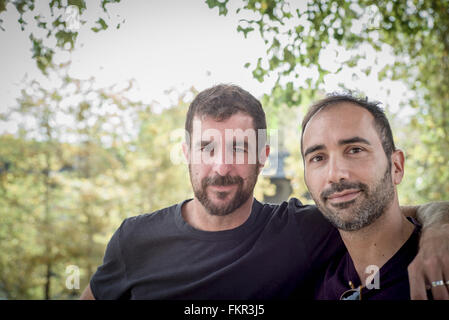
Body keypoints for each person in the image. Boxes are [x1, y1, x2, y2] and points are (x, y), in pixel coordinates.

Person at [80, 84, 449, 300]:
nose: (221, 167)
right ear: (186, 154)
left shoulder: (303, 230)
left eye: (239, 148)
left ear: (263, 157)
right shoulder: (134, 239)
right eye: (207, 148)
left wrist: (439, 231)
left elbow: (385, 212)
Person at [301, 94, 449, 300]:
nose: (334, 174)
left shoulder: (441, 266)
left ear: (396, 166)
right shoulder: (310, 273)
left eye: (355, 150)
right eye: (318, 158)